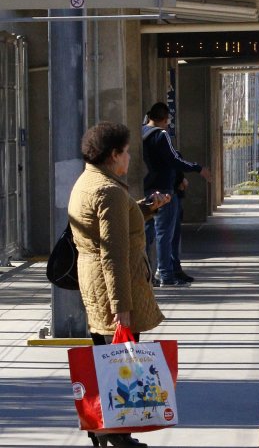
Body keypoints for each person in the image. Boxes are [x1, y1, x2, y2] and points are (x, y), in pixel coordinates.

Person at [68, 122, 169, 448]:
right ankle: (116, 434)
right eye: (125, 152)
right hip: (114, 285)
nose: (128, 158)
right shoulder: (109, 191)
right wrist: (121, 307)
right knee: (120, 363)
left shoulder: (87, 181)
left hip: (95, 282)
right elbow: (113, 253)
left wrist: (146, 208)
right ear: (113, 155)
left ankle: (104, 430)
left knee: (107, 359)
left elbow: (110, 229)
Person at [142, 102, 211, 287]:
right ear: (164, 119)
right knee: (165, 233)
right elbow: (174, 159)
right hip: (164, 191)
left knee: (145, 235)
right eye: (167, 121)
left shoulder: (140, 133)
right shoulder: (161, 135)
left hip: (145, 190)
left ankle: (146, 274)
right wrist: (197, 168)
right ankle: (166, 274)